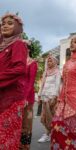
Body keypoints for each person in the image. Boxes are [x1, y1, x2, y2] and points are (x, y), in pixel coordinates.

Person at [50, 35, 76, 150]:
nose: (72, 44)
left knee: (73, 132)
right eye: (71, 42)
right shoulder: (67, 63)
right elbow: (64, 84)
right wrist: (60, 100)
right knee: (57, 127)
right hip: (64, 102)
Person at [0, 13, 27, 149]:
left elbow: (20, 69)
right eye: (3, 23)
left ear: (17, 27)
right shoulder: (2, 47)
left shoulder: (18, 44)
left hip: (11, 100)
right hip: (2, 96)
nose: (4, 25)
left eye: (10, 23)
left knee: (6, 141)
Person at [38, 54, 61, 143]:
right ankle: (48, 133)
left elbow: (57, 84)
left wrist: (55, 96)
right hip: (45, 96)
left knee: (52, 116)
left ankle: (51, 133)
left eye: (51, 61)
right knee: (45, 116)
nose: (49, 62)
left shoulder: (57, 72)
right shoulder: (46, 72)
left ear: (55, 62)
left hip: (52, 97)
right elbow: (42, 84)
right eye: (48, 61)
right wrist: (39, 95)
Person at [20, 40, 38, 149]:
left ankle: (25, 145)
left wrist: (25, 97)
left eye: (24, 47)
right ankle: (17, 144)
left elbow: (31, 82)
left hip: (27, 96)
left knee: (26, 122)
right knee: (18, 120)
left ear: (29, 49)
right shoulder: (18, 62)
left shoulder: (32, 63)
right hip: (17, 95)